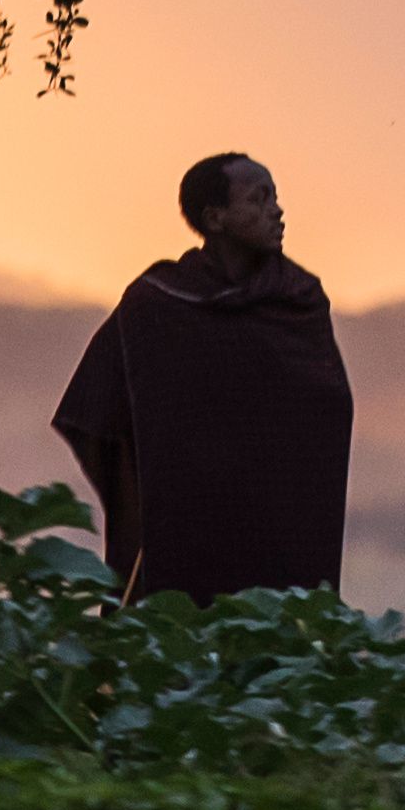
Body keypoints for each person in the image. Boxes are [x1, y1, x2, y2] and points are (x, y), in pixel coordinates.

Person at [53, 152, 355, 606]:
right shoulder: (156, 304)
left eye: (276, 197)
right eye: (260, 198)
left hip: (279, 529)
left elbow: (329, 404)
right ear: (215, 218)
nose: (277, 210)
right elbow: (95, 409)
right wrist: (148, 486)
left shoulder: (297, 299)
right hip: (186, 530)